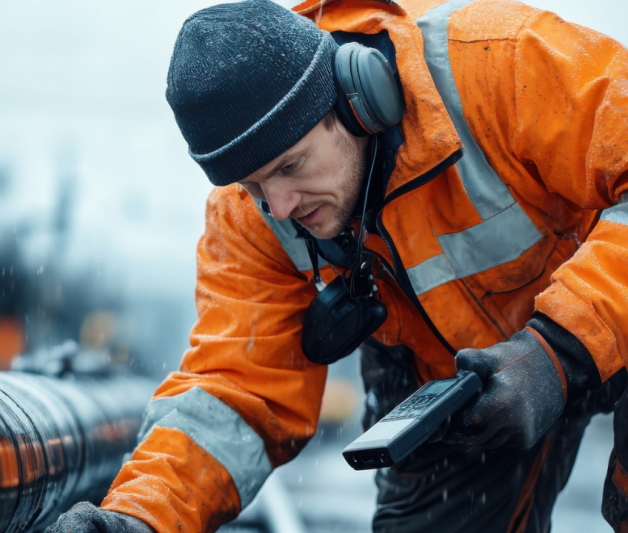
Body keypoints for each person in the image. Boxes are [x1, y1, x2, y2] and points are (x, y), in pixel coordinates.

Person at [46, 0, 628, 531]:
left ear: (356, 101)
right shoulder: (252, 217)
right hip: (458, 390)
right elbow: (236, 387)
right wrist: (139, 518)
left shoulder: (499, 66)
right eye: (253, 185)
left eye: (292, 165)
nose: (280, 207)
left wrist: (561, 350)